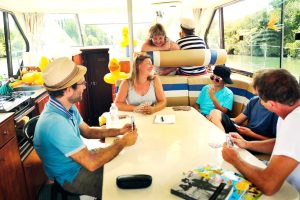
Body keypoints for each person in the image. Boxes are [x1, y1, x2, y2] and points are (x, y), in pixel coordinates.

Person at [33, 57, 138, 198]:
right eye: (82, 83)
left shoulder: (65, 105)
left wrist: (119, 131)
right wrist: (123, 141)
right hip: (71, 176)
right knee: (125, 189)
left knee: (127, 162)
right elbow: (92, 163)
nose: (85, 86)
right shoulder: (55, 123)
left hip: (80, 160)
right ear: (69, 90)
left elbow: (87, 131)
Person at [222, 69, 300, 195]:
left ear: (271, 105)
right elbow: (280, 144)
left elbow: (269, 185)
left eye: (261, 99)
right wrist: (246, 144)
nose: (260, 102)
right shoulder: (288, 114)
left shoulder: (295, 122)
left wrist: (234, 159)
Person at [210, 94, 278, 141]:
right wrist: (218, 119)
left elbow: (274, 142)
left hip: (257, 141)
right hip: (244, 133)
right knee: (214, 113)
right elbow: (237, 120)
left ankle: (224, 140)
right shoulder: (254, 100)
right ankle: (223, 139)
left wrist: (251, 134)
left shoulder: (276, 111)